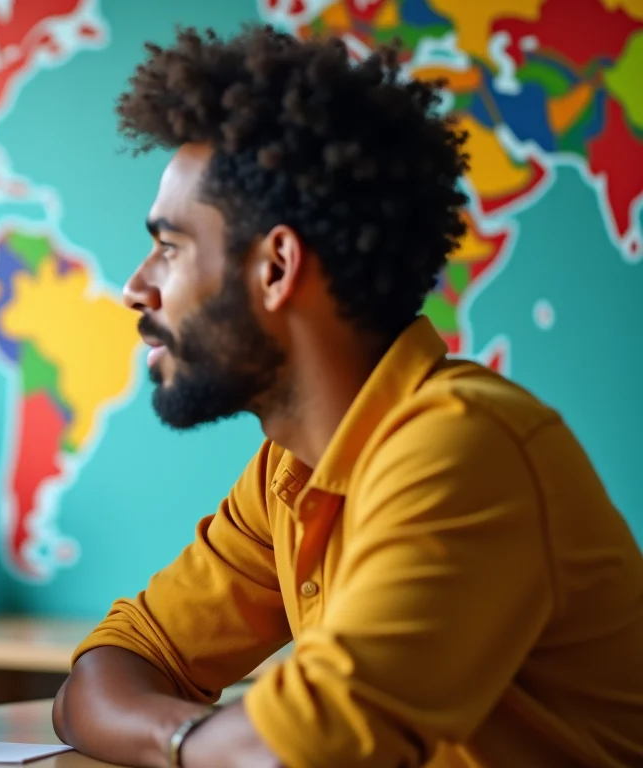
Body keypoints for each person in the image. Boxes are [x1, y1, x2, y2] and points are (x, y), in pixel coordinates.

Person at [52, 24, 643, 768]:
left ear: (276, 268)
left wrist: (205, 739)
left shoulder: (463, 446)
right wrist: (192, 741)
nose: (137, 288)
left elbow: (305, 747)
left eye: (169, 246)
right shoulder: (288, 472)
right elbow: (101, 674)